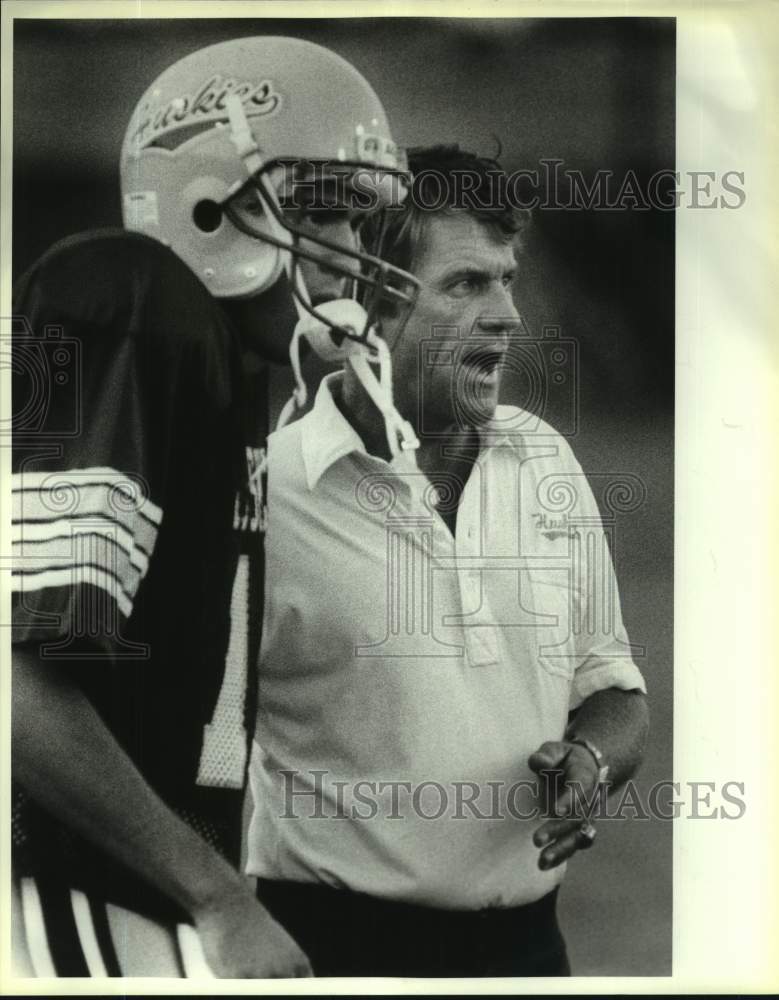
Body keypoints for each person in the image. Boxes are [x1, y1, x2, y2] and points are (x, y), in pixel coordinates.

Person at [10, 35, 418, 978]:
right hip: (76, 893)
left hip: (139, 888)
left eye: (361, 221)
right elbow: (19, 684)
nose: (350, 255)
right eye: (323, 211)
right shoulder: (129, 299)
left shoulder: (223, 372)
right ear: (206, 203)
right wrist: (217, 898)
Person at [247, 145, 650, 977]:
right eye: (466, 284)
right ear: (359, 306)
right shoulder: (274, 489)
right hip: (332, 952)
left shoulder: (545, 460)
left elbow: (612, 688)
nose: (506, 315)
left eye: (505, 278)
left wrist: (589, 764)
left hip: (531, 951)